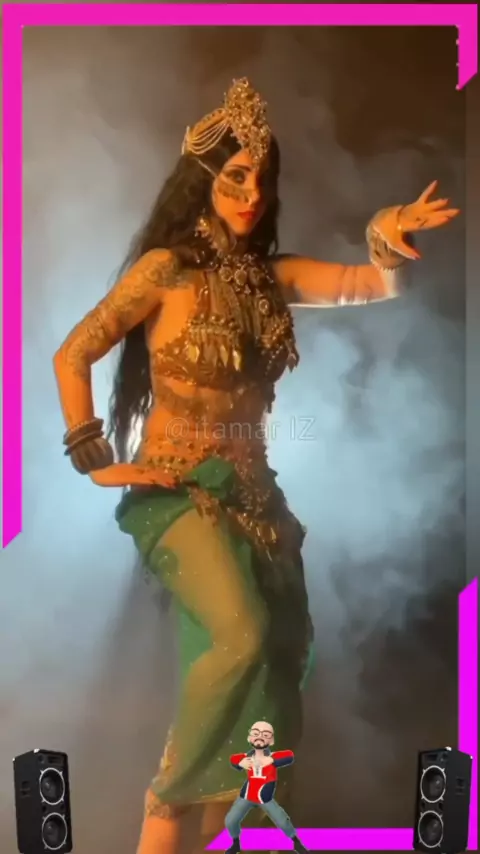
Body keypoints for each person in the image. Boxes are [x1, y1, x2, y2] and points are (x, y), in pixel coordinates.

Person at [53, 78, 458, 854]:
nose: (251, 193)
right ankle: (168, 793)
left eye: (262, 179)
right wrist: (92, 455)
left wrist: (385, 234)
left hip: (257, 500)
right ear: (202, 180)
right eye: (235, 176)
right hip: (177, 492)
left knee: (270, 662)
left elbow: (372, 284)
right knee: (240, 635)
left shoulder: (274, 278)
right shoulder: (165, 271)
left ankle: (206, 832)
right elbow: (74, 353)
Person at [225, 721, 306, 854]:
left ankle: (296, 843)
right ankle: (236, 844)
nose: (260, 737)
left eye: (265, 735)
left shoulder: (272, 758)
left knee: (282, 821)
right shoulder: (247, 758)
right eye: (256, 734)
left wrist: (272, 760)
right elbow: (233, 759)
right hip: (247, 796)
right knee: (230, 821)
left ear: (271, 740)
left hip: (265, 798)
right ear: (250, 738)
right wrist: (240, 762)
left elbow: (289, 756)